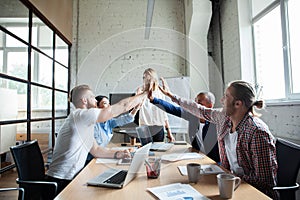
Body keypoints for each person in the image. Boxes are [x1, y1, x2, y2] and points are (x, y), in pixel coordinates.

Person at [155, 80, 278, 199]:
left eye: (226, 96)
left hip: (253, 193)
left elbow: (264, 181)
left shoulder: (257, 132)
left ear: (238, 104)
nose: (221, 100)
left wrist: (229, 177)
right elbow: (199, 110)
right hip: (231, 185)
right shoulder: (224, 118)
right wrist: (171, 95)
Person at [46, 85, 147, 194]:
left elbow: (96, 150)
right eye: (93, 97)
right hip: (60, 182)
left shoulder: (84, 123)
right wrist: (145, 93)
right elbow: (122, 106)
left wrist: (119, 153)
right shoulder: (80, 115)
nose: (95, 100)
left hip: (71, 178)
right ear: (84, 100)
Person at [149, 79, 219, 162]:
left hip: (214, 162)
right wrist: (153, 99)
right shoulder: (192, 116)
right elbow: (172, 109)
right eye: (195, 102)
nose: (195, 107)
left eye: (199, 103)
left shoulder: (217, 121)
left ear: (210, 106)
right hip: (197, 157)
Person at [85, 95, 140, 165]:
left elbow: (125, 119)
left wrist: (136, 109)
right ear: (97, 106)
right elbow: (96, 149)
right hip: (90, 161)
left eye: (109, 104)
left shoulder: (109, 122)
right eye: (105, 103)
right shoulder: (93, 124)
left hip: (101, 157)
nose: (108, 107)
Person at [137, 68, 175, 142]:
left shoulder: (160, 92)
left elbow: (164, 114)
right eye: (144, 77)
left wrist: (169, 132)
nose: (146, 80)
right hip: (144, 127)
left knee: (158, 152)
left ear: (153, 78)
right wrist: (139, 96)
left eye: (148, 77)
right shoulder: (141, 91)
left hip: (158, 128)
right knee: (145, 151)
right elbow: (137, 108)